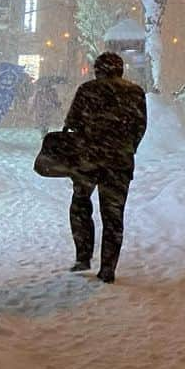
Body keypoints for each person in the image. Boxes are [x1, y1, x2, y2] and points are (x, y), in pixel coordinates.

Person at [63, 52, 147, 284]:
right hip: (119, 163)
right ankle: (108, 268)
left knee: (80, 205)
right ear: (120, 69)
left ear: (97, 69)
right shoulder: (135, 92)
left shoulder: (87, 90)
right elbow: (140, 127)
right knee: (113, 216)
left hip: (88, 161)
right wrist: (127, 148)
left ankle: (83, 256)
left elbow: (71, 124)